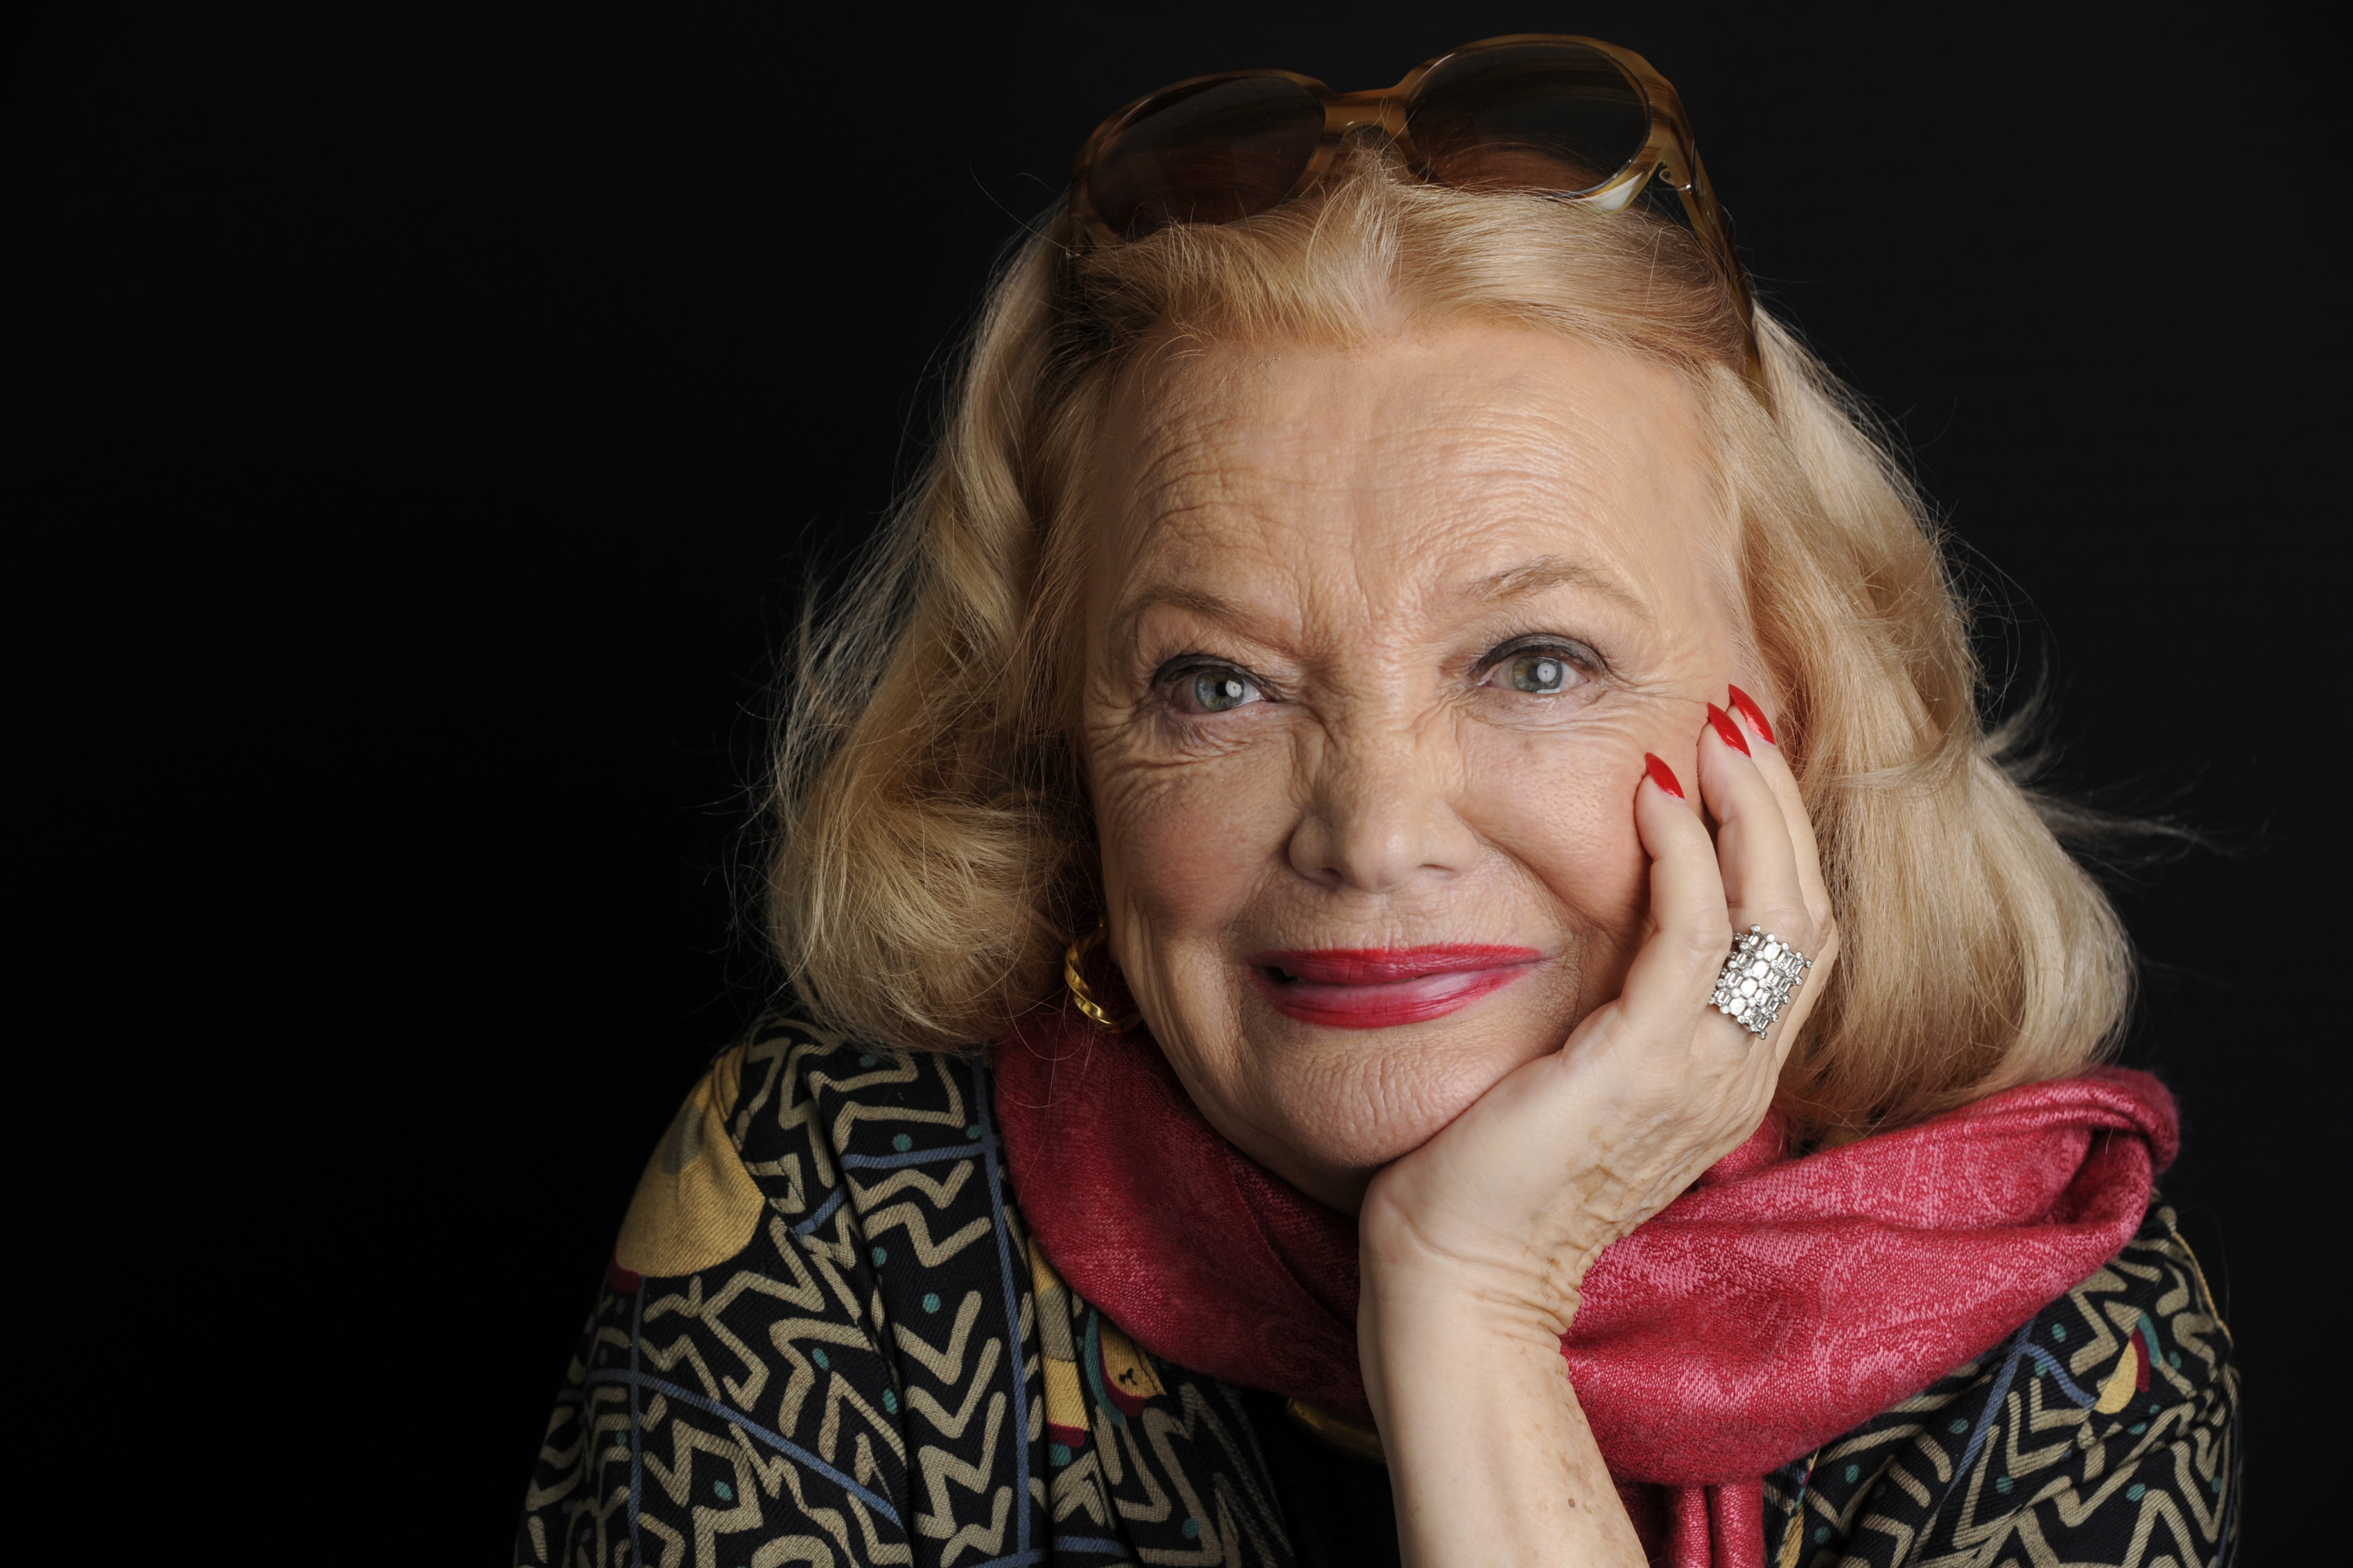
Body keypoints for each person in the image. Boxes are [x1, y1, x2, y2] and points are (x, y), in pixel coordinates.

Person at [516, 36, 2236, 1567]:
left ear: (1791, 707)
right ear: (1065, 739)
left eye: (1536, 662)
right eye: (1218, 683)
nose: (1374, 829)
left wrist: (1469, 1301)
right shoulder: (833, 1225)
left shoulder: (2058, 1347)